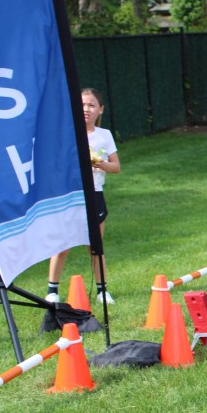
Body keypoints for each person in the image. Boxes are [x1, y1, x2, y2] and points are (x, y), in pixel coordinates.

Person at [45, 88, 121, 305]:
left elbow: (116, 167)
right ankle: (52, 291)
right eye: (82, 105)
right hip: (70, 195)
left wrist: (100, 163)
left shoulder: (104, 135)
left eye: (91, 105)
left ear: (100, 109)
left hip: (94, 194)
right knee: (63, 244)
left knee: (95, 245)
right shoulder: (66, 133)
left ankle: (102, 291)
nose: (86, 109)